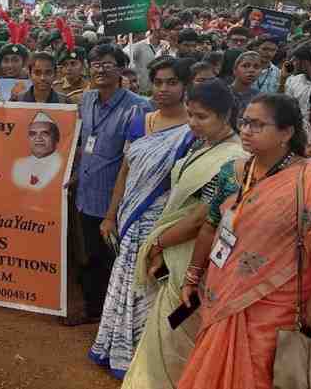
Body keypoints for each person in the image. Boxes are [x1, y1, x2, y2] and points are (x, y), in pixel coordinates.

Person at [176, 94, 311, 389]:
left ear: (286, 133)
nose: (246, 130)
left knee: (262, 375)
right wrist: (192, 277)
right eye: (245, 122)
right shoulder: (235, 172)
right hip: (222, 296)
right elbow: (210, 227)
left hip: (279, 308)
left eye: (258, 125)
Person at [121, 80, 246, 389]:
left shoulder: (234, 159)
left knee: (178, 334)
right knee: (166, 335)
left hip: (198, 261)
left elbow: (201, 219)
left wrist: (159, 243)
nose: (192, 123)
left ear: (226, 115)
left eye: (202, 117)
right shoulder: (200, 145)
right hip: (175, 255)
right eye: (190, 114)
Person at [90, 56, 195, 378]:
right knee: (124, 282)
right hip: (130, 219)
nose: (163, 89)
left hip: (163, 222)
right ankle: (117, 347)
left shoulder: (193, 129)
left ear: (186, 86)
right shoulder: (141, 119)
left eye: (172, 82)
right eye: (159, 82)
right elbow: (125, 169)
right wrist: (110, 215)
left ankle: (148, 356)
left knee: (152, 286)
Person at [75, 44, 152, 322]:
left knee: (111, 261)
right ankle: (92, 309)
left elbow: (135, 162)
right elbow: (82, 143)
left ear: (121, 69)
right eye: (95, 64)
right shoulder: (86, 101)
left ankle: (109, 318)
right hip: (84, 194)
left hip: (113, 201)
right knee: (89, 256)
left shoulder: (139, 108)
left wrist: (114, 209)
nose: (100, 69)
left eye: (107, 64)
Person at [12, 112, 63, 191]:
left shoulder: (63, 164)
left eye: (45, 134)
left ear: (57, 137)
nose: (38, 138)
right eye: (33, 134)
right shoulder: (18, 165)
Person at [281, 43, 311, 113]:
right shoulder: (293, 80)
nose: (292, 64)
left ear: (304, 62)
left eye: (295, 60)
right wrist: (283, 78)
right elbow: (284, 105)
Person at [128, 26, 166, 92]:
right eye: (163, 30)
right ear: (154, 30)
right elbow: (128, 61)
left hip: (160, 89)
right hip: (143, 90)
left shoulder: (165, 45)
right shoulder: (138, 46)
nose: (165, 33)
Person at [230, 51, 260, 122]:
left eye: (256, 67)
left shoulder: (259, 97)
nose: (251, 70)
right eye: (245, 66)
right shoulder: (223, 93)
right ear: (235, 70)